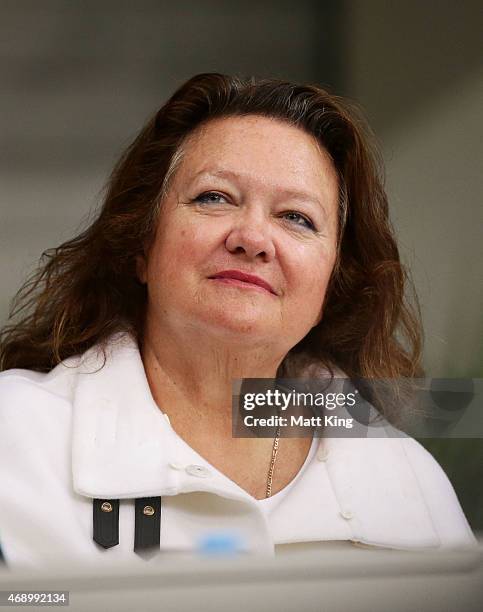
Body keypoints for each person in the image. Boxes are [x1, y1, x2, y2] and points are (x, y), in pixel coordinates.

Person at [0, 73, 476, 569]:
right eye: (214, 197)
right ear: (141, 244)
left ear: (333, 285)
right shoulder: (16, 435)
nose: (252, 238)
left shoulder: (410, 482)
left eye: (296, 217)